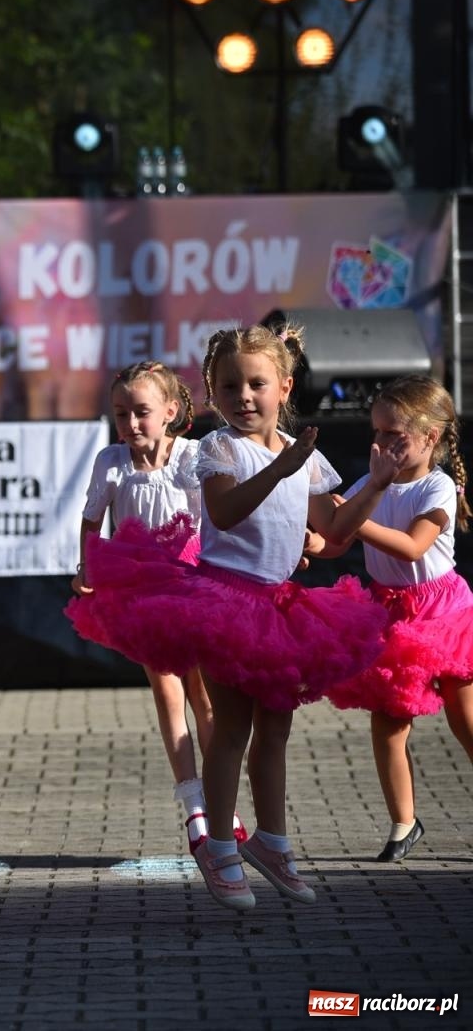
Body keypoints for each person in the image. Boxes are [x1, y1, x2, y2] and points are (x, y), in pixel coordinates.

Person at [72, 324, 388, 911]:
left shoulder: (301, 456)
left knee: (276, 732)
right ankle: (220, 847)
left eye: (256, 384)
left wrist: (378, 487)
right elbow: (227, 509)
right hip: (225, 602)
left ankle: (272, 842)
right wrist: (282, 469)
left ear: (284, 386)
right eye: (229, 386)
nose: (244, 396)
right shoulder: (219, 449)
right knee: (231, 731)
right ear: (212, 396)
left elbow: (335, 533)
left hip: (280, 606)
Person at [66, 361, 246, 852]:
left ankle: (223, 804)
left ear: (170, 411)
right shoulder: (111, 462)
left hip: (192, 585)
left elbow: (212, 520)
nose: (131, 424)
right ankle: (194, 808)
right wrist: (89, 566)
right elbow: (91, 521)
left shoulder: (192, 456)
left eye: (142, 412)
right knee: (168, 697)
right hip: (142, 592)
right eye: (121, 413)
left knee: (206, 698)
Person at [310, 375, 473, 862]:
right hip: (390, 616)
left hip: (443, 612)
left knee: (465, 721)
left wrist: (357, 518)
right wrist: (306, 543)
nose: (380, 444)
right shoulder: (370, 483)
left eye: (393, 435)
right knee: (388, 724)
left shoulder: (438, 487)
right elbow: (334, 542)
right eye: (376, 433)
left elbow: (413, 546)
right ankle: (404, 822)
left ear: (431, 438)